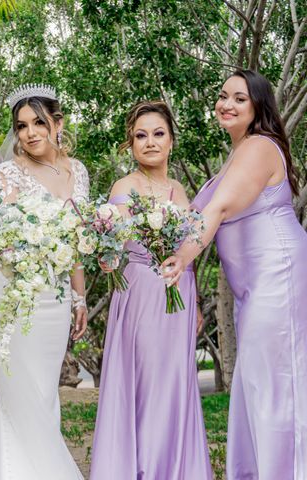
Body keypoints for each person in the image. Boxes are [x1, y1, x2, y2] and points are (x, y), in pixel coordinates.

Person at [163, 69, 307, 480]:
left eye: (239, 98)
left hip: (278, 277)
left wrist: (181, 260)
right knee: (255, 382)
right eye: (223, 95)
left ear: (259, 106)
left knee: (276, 384)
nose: (226, 103)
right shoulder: (238, 150)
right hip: (252, 287)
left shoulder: (260, 147)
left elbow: (218, 210)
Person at [0, 84, 88, 480]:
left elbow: (77, 241)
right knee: (18, 394)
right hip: (13, 296)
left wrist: (79, 299)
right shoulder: (9, 173)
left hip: (56, 298)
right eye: (22, 126)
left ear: (57, 123)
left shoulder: (78, 171)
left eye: (38, 123)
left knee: (42, 392)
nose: (29, 133)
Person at [88, 101, 212, 479]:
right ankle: (141, 468)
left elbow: (189, 246)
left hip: (180, 294)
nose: (150, 142)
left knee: (175, 381)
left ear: (171, 141)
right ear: (131, 144)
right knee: (146, 380)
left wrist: (198, 303)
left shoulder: (178, 189)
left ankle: (172, 468)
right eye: (141, 136)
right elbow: (114, 243)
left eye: (158, 134)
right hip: (142, 292)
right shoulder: (125, 187)